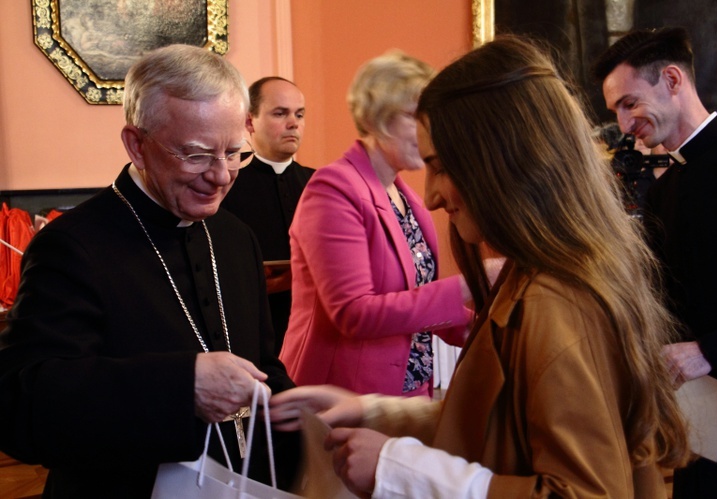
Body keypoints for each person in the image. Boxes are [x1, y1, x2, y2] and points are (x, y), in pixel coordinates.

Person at [270, 34, 690, 498]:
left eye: (443, 167)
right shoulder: (537, 275)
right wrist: (375, 414)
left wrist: (400, 470)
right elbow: (495, 420)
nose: (431, 195)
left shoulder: (556, 301)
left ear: (501, 162)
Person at [0, 45, 299, 497]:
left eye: (234, 153)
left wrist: (303, 413)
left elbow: (261, 366)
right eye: (197, 155)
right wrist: (182, 385)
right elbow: (25, 407)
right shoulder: (72, 246)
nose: (220, 176)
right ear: (137, 144)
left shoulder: (236, 236)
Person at [594, 27, 717, 498]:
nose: (624, 124)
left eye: (629, 103)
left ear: (673, 79)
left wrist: (709, 350)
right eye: (616, 111)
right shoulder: (664, 189)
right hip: (700, 418)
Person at [278, 51, 476, 398]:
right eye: (415, 116)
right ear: (377, 118)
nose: (429, 131)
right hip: (343, 395)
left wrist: (479, 328)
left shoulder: (406, 196)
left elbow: (411, 301)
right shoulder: (334, 188)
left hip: (407, 390)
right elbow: (353, 313)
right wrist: (467, 285)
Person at [221, 76, 314, 354]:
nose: (293, 123)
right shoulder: (227, 186)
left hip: (311, 323)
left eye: (299, 114)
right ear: (250, 122)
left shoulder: (322, 184)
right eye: (280, 113)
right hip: (253, 323)